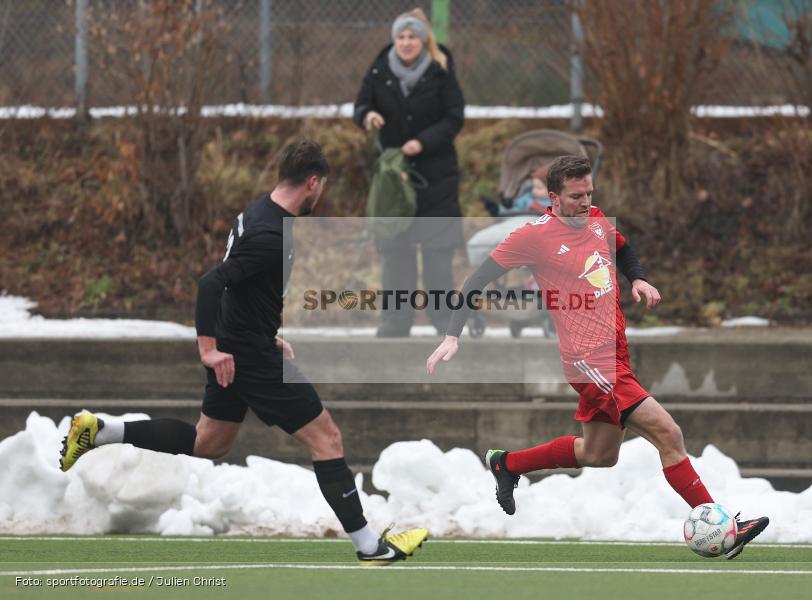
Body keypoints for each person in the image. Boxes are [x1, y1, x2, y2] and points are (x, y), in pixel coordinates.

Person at [60, 141, 428, 565]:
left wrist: (260, 331)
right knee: (327, 438)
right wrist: (209, 349)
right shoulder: (271, 233)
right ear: (312, 182)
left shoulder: (261, 212)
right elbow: (211, 283)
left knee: (209, 442)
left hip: (243, 343)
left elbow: (243, 288)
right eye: (321, 187)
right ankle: (369, 546)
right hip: (244, 354)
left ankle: (101, 431)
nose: (320, 195)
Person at [426, 155, 769, 559]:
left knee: (599, 455)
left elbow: (623, 249)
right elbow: (476, 280)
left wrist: (638, 277)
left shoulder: (597, 218)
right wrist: (453, 335)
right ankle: (721, 528)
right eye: (575, 196)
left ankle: (509, 464)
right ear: (553, 198)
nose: (585, 202)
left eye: (589, 193)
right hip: (589, 361)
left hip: (615, 354)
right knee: (669, 434)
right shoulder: (532, 237)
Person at [353, 8, 465, 337]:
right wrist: (368, 116)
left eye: (412, 36)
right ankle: (396, 321)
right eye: (401, 36)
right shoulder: (379, 69)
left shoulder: (440, 69)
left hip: (437, 176)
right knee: (395, 252)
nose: (406, 42)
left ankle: (444, 321)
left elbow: (454, 117)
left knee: (437, 254)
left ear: (423, 39)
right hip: (393, 178)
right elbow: (359, 106)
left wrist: (423, 142)